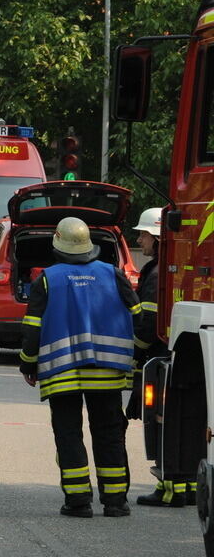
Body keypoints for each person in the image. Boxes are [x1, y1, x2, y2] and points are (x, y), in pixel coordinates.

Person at [19, 216, 139, 518]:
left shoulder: (47, 279)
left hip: (62, 372)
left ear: (57, 244)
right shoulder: (112, 273)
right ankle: (115, 502)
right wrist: (137, 355)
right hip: (108, 370)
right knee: (110, 433)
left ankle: (78, 501)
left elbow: (33, 328)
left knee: (68, 433)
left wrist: (28, 364)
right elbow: (138, 316)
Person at [127, 208, 197, 507]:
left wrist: (135, 353)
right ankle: (191, 486)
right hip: (177, 357)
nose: (139, 239)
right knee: (188, 422)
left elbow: (147, 326)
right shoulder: (171, 269)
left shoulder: (156, 275)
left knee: (163, 422)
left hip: (157, 360)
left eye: (143, 235)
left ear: (157, 238)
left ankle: (169, 489)